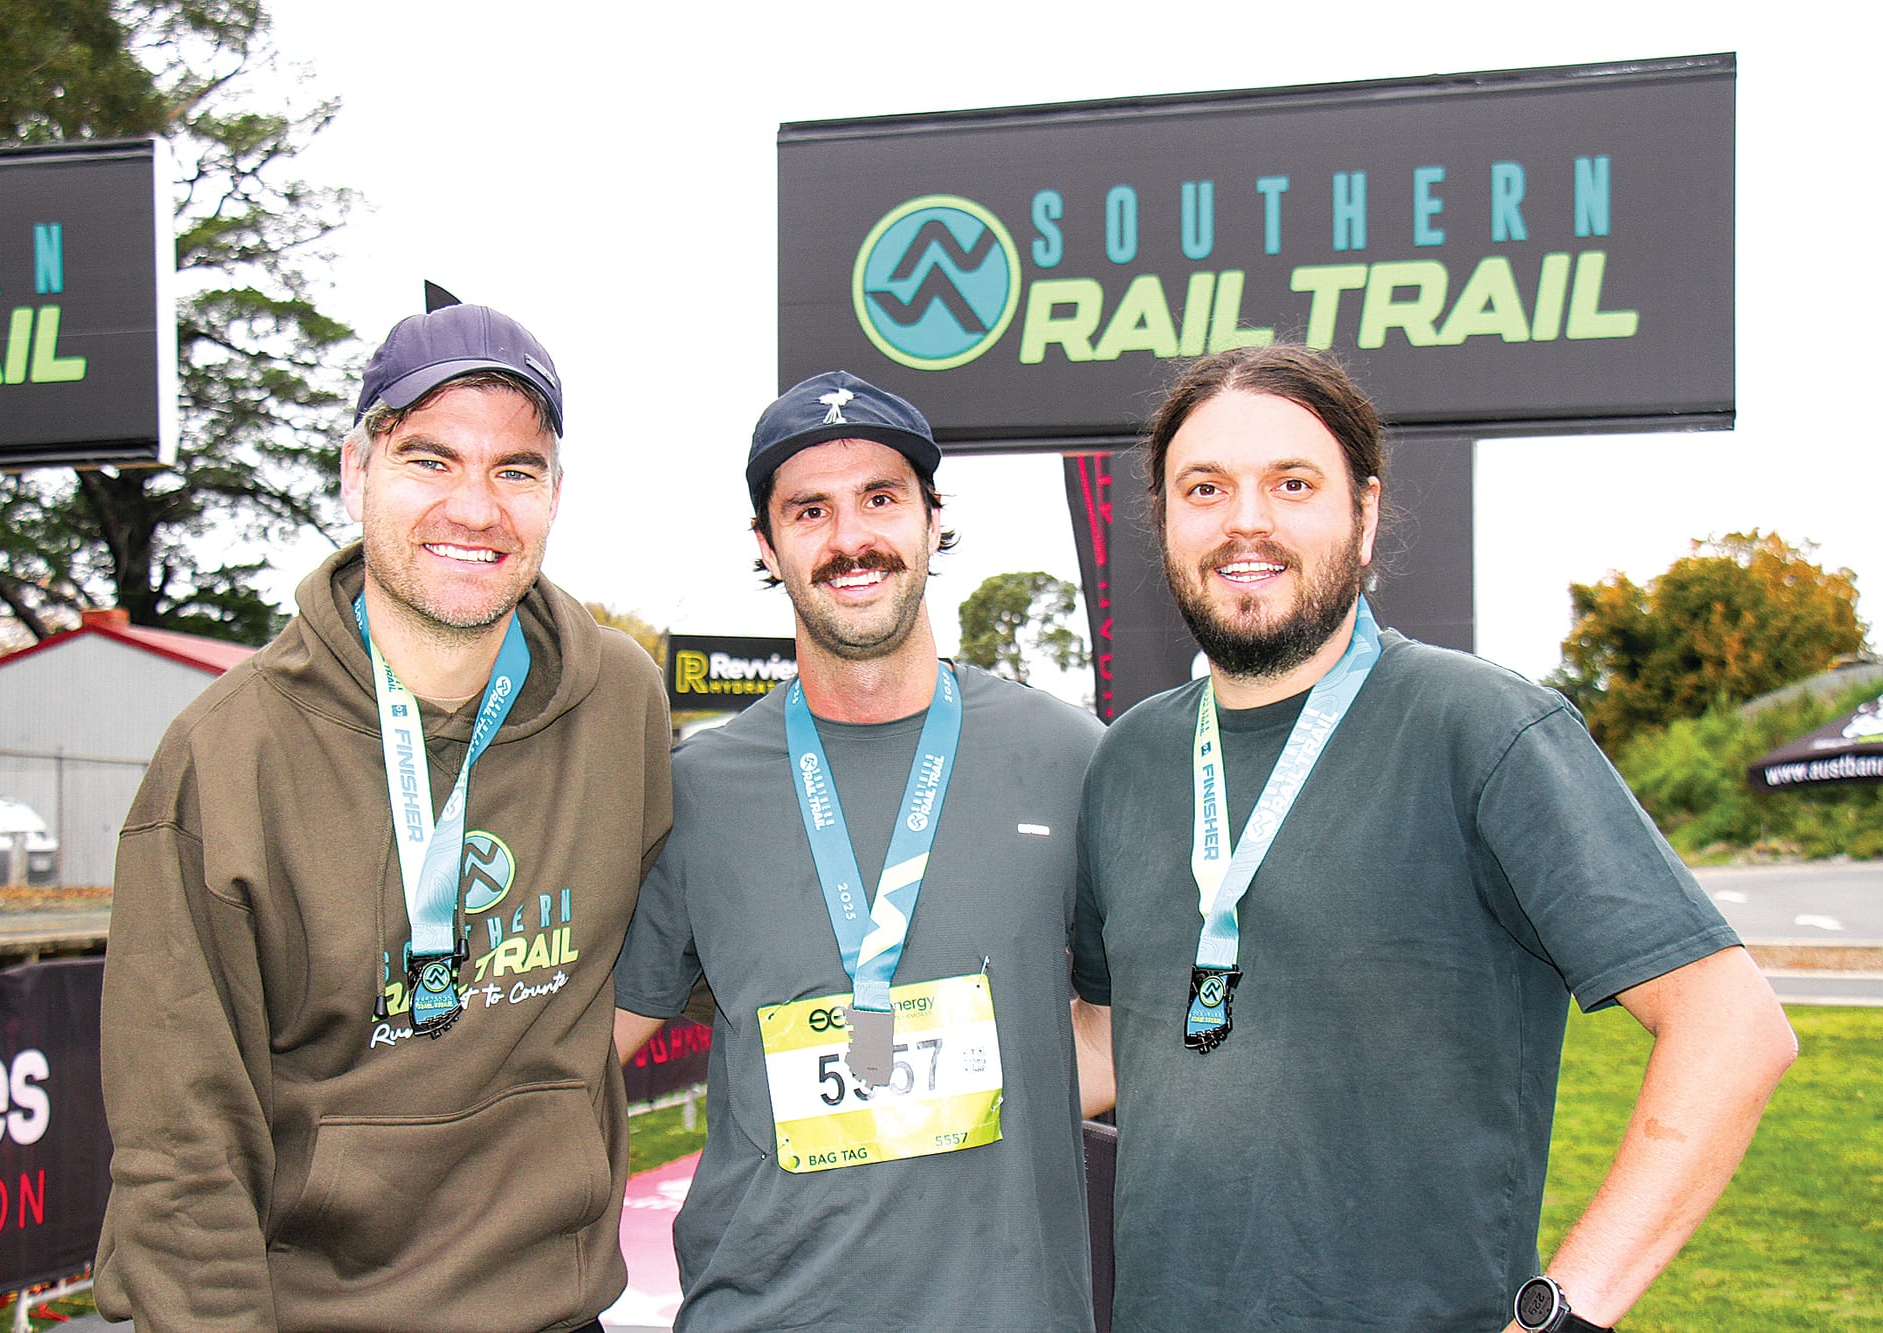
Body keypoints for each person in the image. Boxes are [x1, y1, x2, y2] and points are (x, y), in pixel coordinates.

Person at [1069, 344, 1796, 1333]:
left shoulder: (1481, 728)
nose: (1245, 521)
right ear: (1162, 518)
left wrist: (1554, 1323)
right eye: (1205, 488)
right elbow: (1114, 1041)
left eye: (1291, 482)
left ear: (1362, 516)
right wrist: (866, 1056)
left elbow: (1731, 1029)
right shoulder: (1128, 758)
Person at [93, 303, 671, 1332]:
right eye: (430, 459)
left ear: (553, 495)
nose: (475, 507)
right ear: (358, 472)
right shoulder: (227, 757)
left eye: (515, 470)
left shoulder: (619, 700)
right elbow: (183, 1153)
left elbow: (677, 938)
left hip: (559, 1308)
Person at [612, 370, 1104, 1332]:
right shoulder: (698, 789)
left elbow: (1131, 1028)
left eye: (881, 498)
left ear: (930, 519)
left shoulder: (1069, 756)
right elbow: (582, 1052)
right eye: (809, 509)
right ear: (767, 543)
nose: (849, 538)